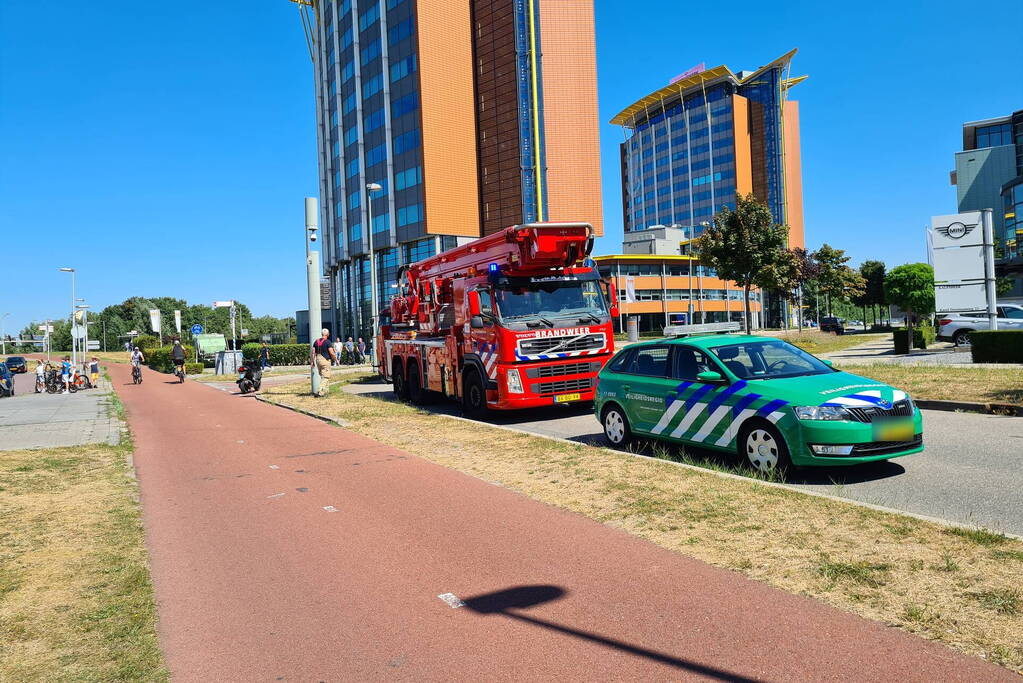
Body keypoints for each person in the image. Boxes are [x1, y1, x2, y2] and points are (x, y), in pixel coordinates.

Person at [311, 328, 336, 396]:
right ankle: (320, 391)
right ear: (327, 334)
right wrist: (335, 358)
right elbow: (331, 352)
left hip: (318, 360)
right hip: (325, 360)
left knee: (323, 376)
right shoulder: (328, 342)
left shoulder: (316, 341)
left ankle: (326, 391)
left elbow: (313, 353)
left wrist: (312, 362)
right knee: (326, 377)